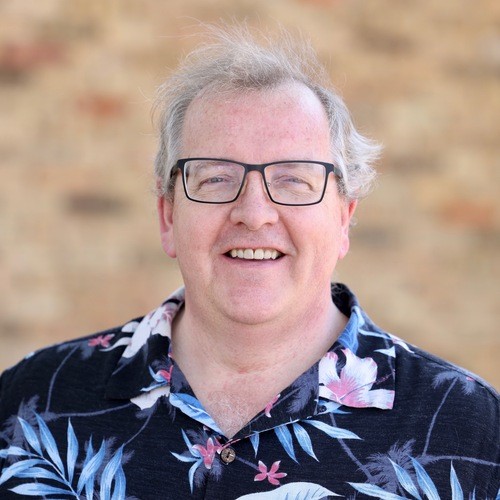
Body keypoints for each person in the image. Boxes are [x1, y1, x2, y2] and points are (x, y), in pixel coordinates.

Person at [0, 26, 498, 499]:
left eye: (294, 180)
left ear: (344, 218)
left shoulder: (473, 430)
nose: (254, 214)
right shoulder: (28, 405)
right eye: (216, 178)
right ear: (169, 216)